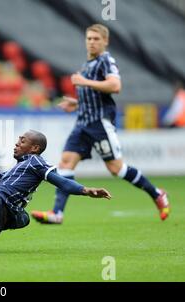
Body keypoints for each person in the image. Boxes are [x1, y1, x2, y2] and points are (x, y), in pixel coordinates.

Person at [31, 24, 170, 225]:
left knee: (116, 169)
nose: (92, 42)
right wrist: (77, 103)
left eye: (96, 39)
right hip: (82, 124)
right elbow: (96, 95)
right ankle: (57, 213)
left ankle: (157, 193)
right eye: (89, 38)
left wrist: (84, 82)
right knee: (66, 163)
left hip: (98, 125)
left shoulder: (106, 60)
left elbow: (115, 85)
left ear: (105, 41)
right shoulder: (87, 65)